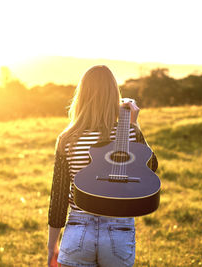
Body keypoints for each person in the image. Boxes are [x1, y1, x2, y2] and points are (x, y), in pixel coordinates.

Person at [47, 65, 158, 267]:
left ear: (81, 95)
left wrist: (52, 246)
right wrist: (135, 126)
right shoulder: (129, 133)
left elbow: (59, 198)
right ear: (114, 95)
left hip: (78, 230)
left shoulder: (67, 139)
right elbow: (151, 169)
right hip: (119, 231)